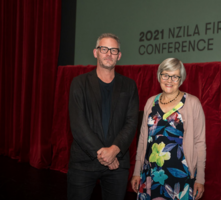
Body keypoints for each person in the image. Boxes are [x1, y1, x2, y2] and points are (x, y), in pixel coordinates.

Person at [67, 33, 139, 200]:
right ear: (95, 52)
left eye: (113, 50)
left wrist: (114, 151)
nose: (108, 54)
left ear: (119, 56)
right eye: (104, 49)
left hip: (117, 164)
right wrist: (104, 155)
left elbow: (131, 123)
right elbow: (78, 125)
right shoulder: (79, 83)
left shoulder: (129, 86)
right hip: (84, 162)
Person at [131, 58, 206, 200]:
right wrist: (137, 171)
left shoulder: (192, 103)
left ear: (181, 79)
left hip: (181, 177)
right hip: (150, 175)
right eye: (165, 75)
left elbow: (200, 143)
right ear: (159, 76)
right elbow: (142, 140)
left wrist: (200, 179)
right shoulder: (150, 103)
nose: (169, 80)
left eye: (175, 76)